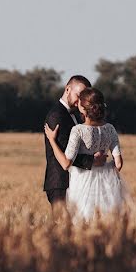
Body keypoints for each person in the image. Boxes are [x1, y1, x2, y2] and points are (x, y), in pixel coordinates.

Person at [44, 87, 131, 220]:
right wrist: (104, 166)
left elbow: (66, 163)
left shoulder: (78, 130)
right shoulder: (110, 129)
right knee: (106, 221)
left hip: (82, 181)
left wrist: (52, 140)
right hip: (106, 183)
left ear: (83, 109)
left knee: (82, 219)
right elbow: (118, 164)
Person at [42, 75, 107, 209]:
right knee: (63, 227)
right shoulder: (57, 115)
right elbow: (66, 153)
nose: (81, 101)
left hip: (76, 180)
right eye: (79, 95)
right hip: (60, 181)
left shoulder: (75, 115)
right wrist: (92, 161)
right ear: (67, 89)